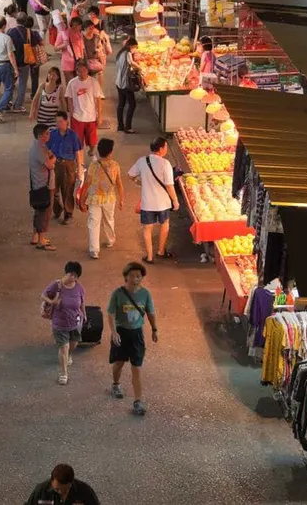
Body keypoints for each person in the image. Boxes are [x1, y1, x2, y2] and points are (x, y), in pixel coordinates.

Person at [107, 261, 158, 416]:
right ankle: (115, 384)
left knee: (136, 367)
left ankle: (138, 401)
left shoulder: (145, 294)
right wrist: (114, 332)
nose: (136, 279)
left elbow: (150, 313)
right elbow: (110, 313)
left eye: (139, 276)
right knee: (119, 364)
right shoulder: (118, 293)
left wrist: (154, 329)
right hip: (121, 333)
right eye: (132, 276)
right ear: (126, 277)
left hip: (137, 334)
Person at [128, 137, 179, 263]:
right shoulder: (165, 164)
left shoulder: (141, 161)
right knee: (165, 224)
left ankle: (149, 257)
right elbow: (169, 185)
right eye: (166, 147)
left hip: (147, 203)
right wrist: (175, 201)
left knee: (147, 228)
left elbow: (130, 175)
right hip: (163, 203)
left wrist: (139, 182)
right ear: (161, 149)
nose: (166, 149)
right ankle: (161, 251)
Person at [42, 261, 86, 384]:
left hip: (75, 322)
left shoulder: (79, 287)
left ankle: (68, 356)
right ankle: (64, 373)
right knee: (64, 348)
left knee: (73, 344)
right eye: (70, 274)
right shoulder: (56, 285)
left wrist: (84, 314)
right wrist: (51, 302)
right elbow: (43, 295)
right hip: (60, 323)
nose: (72, 277)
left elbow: (82, 302)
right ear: (66, 273)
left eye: (75, 275)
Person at [85, 138, 125, 259]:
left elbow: (87, 183)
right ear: (110, 152)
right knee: (109, 219)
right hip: (109, 197)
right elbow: (119, 183)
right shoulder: (115, 165)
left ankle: (94, 250)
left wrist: (82, 199)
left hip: (94, 198)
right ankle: (110, 240)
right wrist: (122, 198)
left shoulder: (93, 165)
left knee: (93, 223)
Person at [45, 111, 84, 225]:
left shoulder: (73, 135)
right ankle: (57, 209)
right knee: (53, 189)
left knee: (67, 190)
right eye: (56, 122)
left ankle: (68, 213)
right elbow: (46, 148)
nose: (58, 124)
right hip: (55, 164)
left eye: (60, 121)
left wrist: (79, 168)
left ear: (66, 121)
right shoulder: (52, 134)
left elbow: (78, 152)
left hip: (68, 165)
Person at [64, 60, 105, 150]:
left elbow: (98, 99)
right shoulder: (72, 83)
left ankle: (91, 150)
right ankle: (79, 159)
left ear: (87, 70)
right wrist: (71, 112)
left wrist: (99, 116)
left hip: (91, 116)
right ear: (76, 71)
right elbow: (69, 98)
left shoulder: (93, 82)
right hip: (77, 116)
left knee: (92, 141)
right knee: (77, 141)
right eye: (79, 71)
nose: (82, 73)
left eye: (84, 70)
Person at [29, 124, 57, 251]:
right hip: (43, 185)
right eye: (47, 134)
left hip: (37, 184)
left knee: (39, 211)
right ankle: (41, 240)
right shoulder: (39, 149)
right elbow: (50, 164)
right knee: (44, 212)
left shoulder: (38, 146)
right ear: (41, 136)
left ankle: (35, 236)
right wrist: (54, 159)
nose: (49, 136)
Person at [23, 464, 100, 505]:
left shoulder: (85, 491)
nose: (60, 492)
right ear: (51, 480)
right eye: (57, 489)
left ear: (71, 482)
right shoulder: (41, 490)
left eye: (65, 490)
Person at [7, 13, 36, 112]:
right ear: (25, 21)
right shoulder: (29, 32)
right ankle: (18, 105)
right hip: (25, 62)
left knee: (10, 83)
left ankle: (7, 102)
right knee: (22, 84)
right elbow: (35, 45)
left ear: (16, 20)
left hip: (12, 62)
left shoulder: (10, 31)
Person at [115, 38, 139, 133]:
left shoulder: (121, 53)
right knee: (132, 105)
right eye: (135, 47)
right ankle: (128, 127)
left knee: (121, 105)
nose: (135, 49)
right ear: (131, 46)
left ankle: (120, 126)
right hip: (125, 84)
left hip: (118, 83)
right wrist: (140, 68)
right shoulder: (127, 54)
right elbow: (132, 63)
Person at [55, 16, 86, 84]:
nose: (81, 27)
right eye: (80, 26)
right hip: (67, 64)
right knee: (70, 85)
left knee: (78, 84)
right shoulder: (63, 34)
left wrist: (82, 60)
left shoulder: (79, 34)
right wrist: (64, 45)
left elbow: (82, 48)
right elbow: (55, 48)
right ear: (75, 25)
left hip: (78, 63)